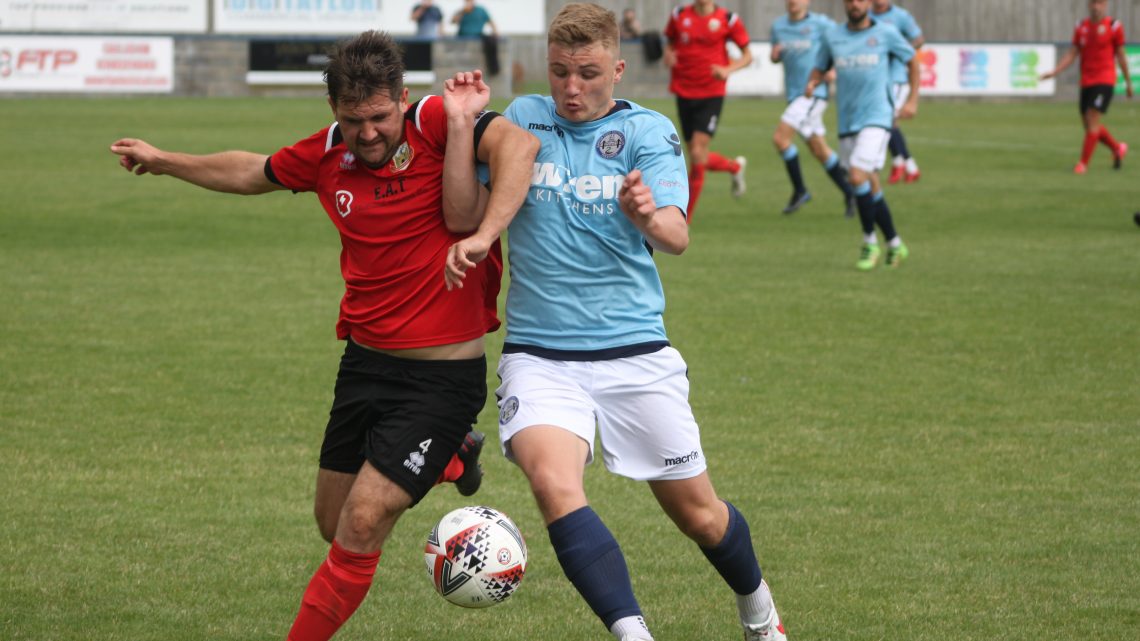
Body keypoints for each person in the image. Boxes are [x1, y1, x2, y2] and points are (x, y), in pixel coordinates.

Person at [110, 31, 538, 641]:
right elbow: (250, 172)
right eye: (351, 119)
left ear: (402, 97)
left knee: (362, 522)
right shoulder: (328, 153)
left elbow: (521, 146)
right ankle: (451, 457)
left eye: (379, 117)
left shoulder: (442, 121)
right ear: (334, 112)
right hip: (364, 365)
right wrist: (165, 160)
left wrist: (482, 236)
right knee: (333, 520)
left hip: (441, 377)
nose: (367, 133)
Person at [444, 4, 788, 641]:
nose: (571, 89)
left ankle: (760, 612)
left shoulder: (648, 134)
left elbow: (676, 236)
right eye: (559, 73)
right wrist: (463, 129)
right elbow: (464, 216)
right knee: (552, 483)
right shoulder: (520, 120)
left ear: (618, 70)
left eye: (589, 73)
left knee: (701, 517)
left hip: (635, 352)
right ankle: (634, 634)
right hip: (541, 355)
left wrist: (645, 214)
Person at [807, 0, 918, 271]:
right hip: (847, 120)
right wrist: (813, 80)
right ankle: (894, 242)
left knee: (857, 176)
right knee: (869, 185)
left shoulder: (886, 33)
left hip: (878, 117)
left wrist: (912, 100)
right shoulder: (833, 35)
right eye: (851, 0)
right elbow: (819, 66)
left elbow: (913, 61)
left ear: (868, 3)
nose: (856, 4)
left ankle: (869, 242)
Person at [663, 0, 753, 218]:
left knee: (695, 154)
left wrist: (727, 69)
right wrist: (668, 53)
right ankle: (734, 168)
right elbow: (669, 40)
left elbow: (748, 56)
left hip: (711, 93)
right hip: (684, 91)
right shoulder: (679, 15)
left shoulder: (728, 19)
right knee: (697, 156)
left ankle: (685, 219)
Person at [770, 0, 854, 216]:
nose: (793, 2)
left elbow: (844, 41)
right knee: (819, 149)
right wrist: (775, 55)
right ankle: (851, 192)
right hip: (793, 94)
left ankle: (800, 190)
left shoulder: (822, 24)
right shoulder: (778, 27)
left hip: (813, 93)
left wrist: (834, 68)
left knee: (780, 139)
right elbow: (775, 57)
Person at [1039, 0, 1133, 174]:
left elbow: (1121, 55)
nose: (1096, 6)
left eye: (1100, 3)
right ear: (1088, 5)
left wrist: (1128, 83)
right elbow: (1072, 53)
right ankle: (1117, 148)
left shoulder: (1114, 26)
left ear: (1105, 5)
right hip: (1087, 81)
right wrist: (1055, 71)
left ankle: (1082, 164)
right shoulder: (1081, 27)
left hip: (1105, 80)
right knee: (1089, 125)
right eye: (1093, 3)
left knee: (1092, 118)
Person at [870, 0, 924, 184]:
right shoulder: (866, 16)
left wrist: (900, 49)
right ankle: (908, 165)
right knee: (889, 123)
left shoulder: (900, 16)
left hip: (897, 78)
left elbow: (918, 39)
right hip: (876, 78)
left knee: (887, 120)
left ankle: (900, 163)